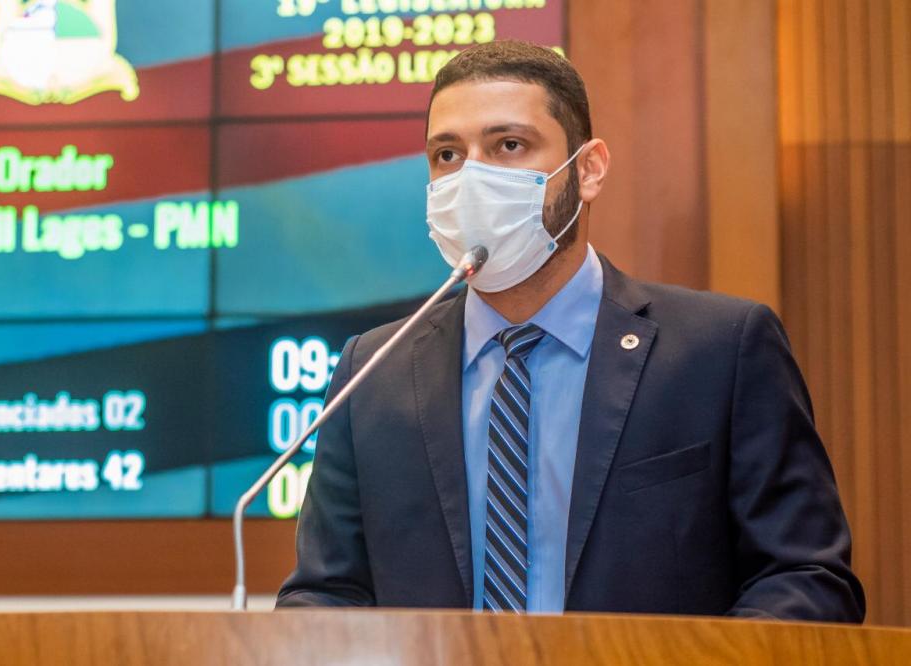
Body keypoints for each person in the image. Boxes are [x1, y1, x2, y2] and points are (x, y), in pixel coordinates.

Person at [277, 40, 865, 621]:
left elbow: (805, 579)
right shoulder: (374, 370)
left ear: (587, 169)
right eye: (448, 155)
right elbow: (326, 594)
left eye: (509, 145)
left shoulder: (722, 351)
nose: (472, 179)